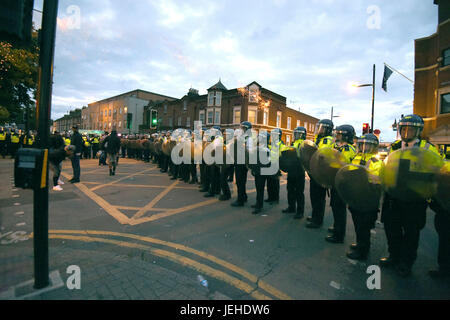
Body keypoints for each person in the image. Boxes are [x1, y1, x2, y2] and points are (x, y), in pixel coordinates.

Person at [380, 114, 441, 277]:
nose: (406, 132)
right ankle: (394, 256)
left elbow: (436, 172)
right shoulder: (394, 146)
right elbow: (386, 167)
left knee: (411, 232)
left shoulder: (428, 149)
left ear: (419, 130)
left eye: (411, 129)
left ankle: (406, 263)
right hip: (393, 194)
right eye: (403, 128)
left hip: (414, 197)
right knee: (391, 228)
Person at [346, 134, 384, 260]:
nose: (363, 146)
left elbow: (376, 180)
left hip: (367, 197)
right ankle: (360, 244)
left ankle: (362, 251)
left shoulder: (376, 161)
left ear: (373, 146)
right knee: (357, 223)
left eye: (367, 144)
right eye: (361, 144)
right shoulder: (357, 157)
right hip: (356, 195)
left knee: (364, 225)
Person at [326, 124, 356, 243]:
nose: (337, 136)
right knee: (335, 206)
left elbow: (343, 165)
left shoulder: (348, 149)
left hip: (342, 182)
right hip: (335, 180)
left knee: (339, 208)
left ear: (346, 136)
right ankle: (336, 227)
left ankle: (339, 235)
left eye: (339, 134)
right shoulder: (337, 147)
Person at [307, 119, 334, 228]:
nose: (319, 129)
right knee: (314, 196)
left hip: (321, 172)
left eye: (321, 128)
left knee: (318, 197)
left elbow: (321, 154)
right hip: (315, 171)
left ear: (327, 129)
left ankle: (317, 220)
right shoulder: (320, 139)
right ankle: (315, 216)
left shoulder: (327, 140)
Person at [283, 126, 307, 219]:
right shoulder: (294, 143)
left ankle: (300, 211)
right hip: (291, 169)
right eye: (295, 133)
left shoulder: (304, 144)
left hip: (299, 170)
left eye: (298, 134)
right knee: (290, 189)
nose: (296, 135)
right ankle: (291, 207)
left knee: (299, 192)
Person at [231, 122, 253, 207]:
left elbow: (249, 151)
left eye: (243, 128)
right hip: (239, 161)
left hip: (242, 162)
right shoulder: (243, 137)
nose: (241, 129)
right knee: (240, 181)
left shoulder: (248, 138)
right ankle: (243, 196)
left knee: (240, 181)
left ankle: (240, 200)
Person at [266, 128, 286, 204]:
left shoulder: (281, 144)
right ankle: (270, 197)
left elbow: (282, 156)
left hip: (276, 166)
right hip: (269, 165)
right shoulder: (271, 144)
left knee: (275, 184)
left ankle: (275, 199)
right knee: (269, 183)